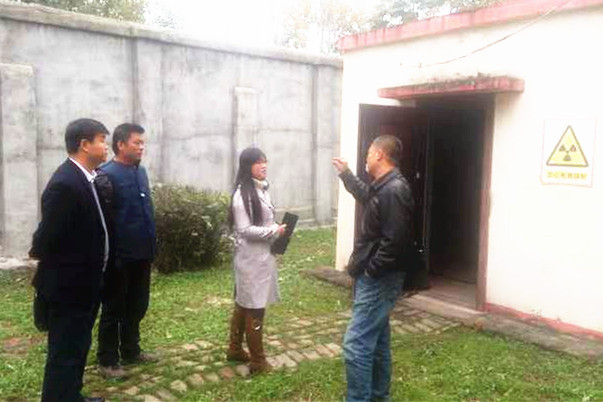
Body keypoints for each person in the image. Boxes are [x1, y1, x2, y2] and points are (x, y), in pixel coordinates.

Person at [30, 118, 110, 402]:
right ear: (84, 144)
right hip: (68, 287)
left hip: (86, 284)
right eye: (102, 140)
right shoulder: (65, 183)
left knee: (77, 347)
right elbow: (46, 239)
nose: (106, 146)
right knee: (64, 351)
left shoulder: (86, 178)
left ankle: (71, 395)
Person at [332, 135, 414, 402]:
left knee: (355, 345)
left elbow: (395, 242)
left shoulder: (394, 190)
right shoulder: (383, 186)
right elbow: (366, 195)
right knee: (377, 343)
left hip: (379, 279)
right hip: (377, 276)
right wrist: (346, 174)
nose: (366, 157)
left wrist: (371, 271)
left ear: (379, 154)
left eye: (368, 152)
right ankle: (379, 397)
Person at [96, 123, 157, 378]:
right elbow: (104, 222)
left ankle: (131, 350)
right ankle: (107, 360)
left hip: (142, 252)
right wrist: (111, 256)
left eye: (143, 143)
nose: (142, 147)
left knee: (138, 305)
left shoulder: (140, 171)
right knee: (113, 308)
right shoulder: (105, 176)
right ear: (120, 145)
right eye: (136, 142)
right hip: (118, 257)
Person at [226, 147, 286, 374]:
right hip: (251, 260)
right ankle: (258, 361)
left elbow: (262, 222)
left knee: (244, 303)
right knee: (255, 307)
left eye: (265, 161)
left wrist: (275, 229)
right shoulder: (242, 194)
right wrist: (274, 231)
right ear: (247, 166)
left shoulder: (261, 189)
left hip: (261, 257)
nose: (264, 165)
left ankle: (234, 349)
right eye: (258, 162)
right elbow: (245, 230)